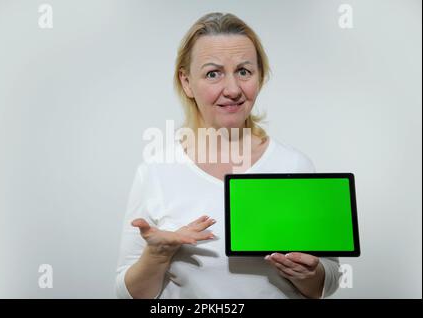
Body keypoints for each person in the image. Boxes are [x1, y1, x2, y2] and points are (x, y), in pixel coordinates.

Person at [115, 12, 341, 299]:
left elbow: (328, 280)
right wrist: (157, 256)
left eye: (244, 71)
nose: (233, 90)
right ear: (187, 82)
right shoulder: (156, 170)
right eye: (213, 73)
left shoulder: (294, 165)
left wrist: (312, 274)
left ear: (260, 76)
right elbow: (126, 294)